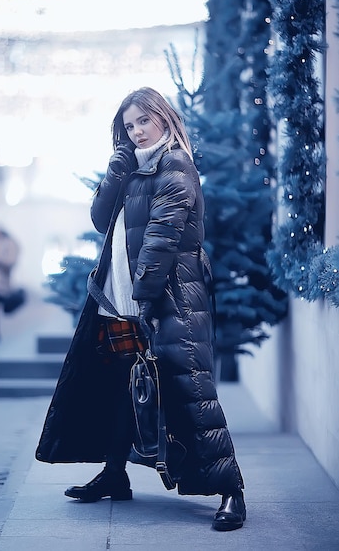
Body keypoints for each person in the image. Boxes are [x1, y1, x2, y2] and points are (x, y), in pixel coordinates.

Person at [35, 87, 246, 531]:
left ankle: (232, 492)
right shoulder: (131, 169)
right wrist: (116, 169)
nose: (136, 131)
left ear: (163, 119)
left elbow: (163, 239)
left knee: (192, 393)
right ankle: (115, 474)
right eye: (128, 126)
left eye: (142, 122)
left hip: (167, 301)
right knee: (117, 385)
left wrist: (147, 299)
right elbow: (99, 219)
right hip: (118, 300)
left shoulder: (176, 166)